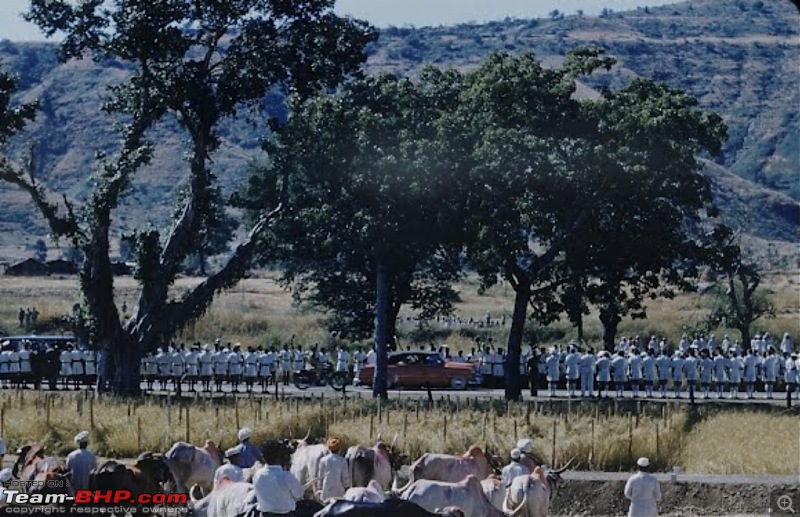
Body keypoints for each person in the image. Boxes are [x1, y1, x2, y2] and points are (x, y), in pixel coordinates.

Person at [253, 440, 304, 516]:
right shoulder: (286, 476)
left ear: (263, 458)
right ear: (280, 458)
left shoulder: (257, 475)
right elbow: (299, 494)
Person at [316, 436, 349, 502]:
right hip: (339, 493)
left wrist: (319, 489)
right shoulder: (342, 461)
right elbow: (345, 479)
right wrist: (347, 488)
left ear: (329, 448)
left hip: (326, 492)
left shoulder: (323, 460)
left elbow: (320, 477)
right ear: (339, 449)